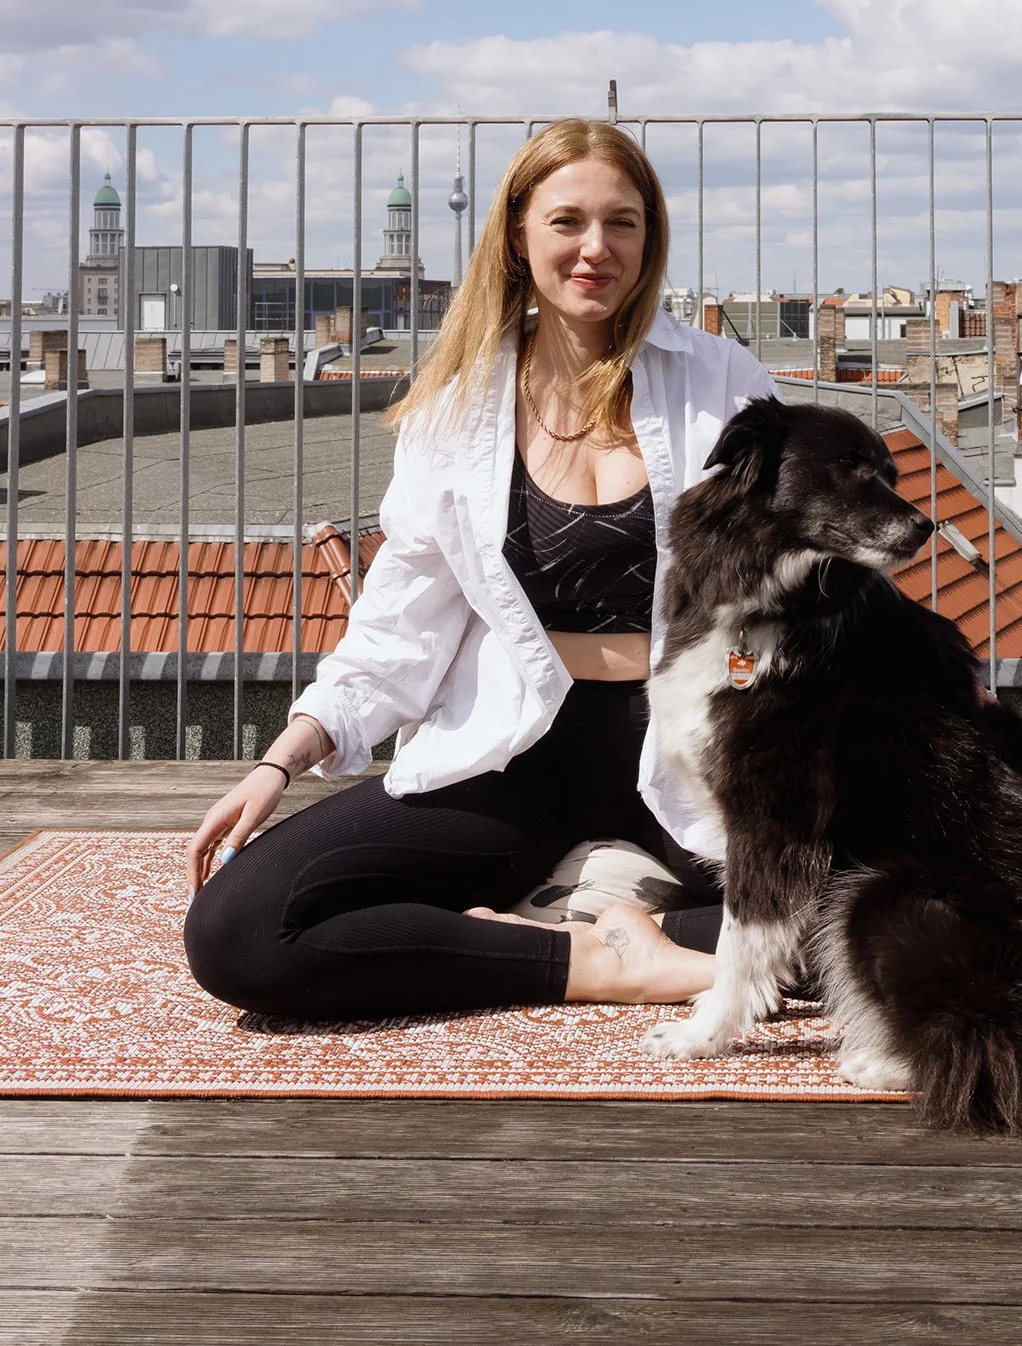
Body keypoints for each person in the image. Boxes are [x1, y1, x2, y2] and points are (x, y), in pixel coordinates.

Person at [184, 118, 777, 1019]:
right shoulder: (455, 411)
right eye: (567, 221)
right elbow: (400, 625)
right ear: (516, 236)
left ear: (649, 239)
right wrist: (283, 759)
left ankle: (623, 921)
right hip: (520, 750)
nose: (595, 248)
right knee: (241, 930)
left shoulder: (723, 379)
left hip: (700, 747)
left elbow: (801, 579)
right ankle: (599, 958)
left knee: (938, 909)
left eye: (621, 222)